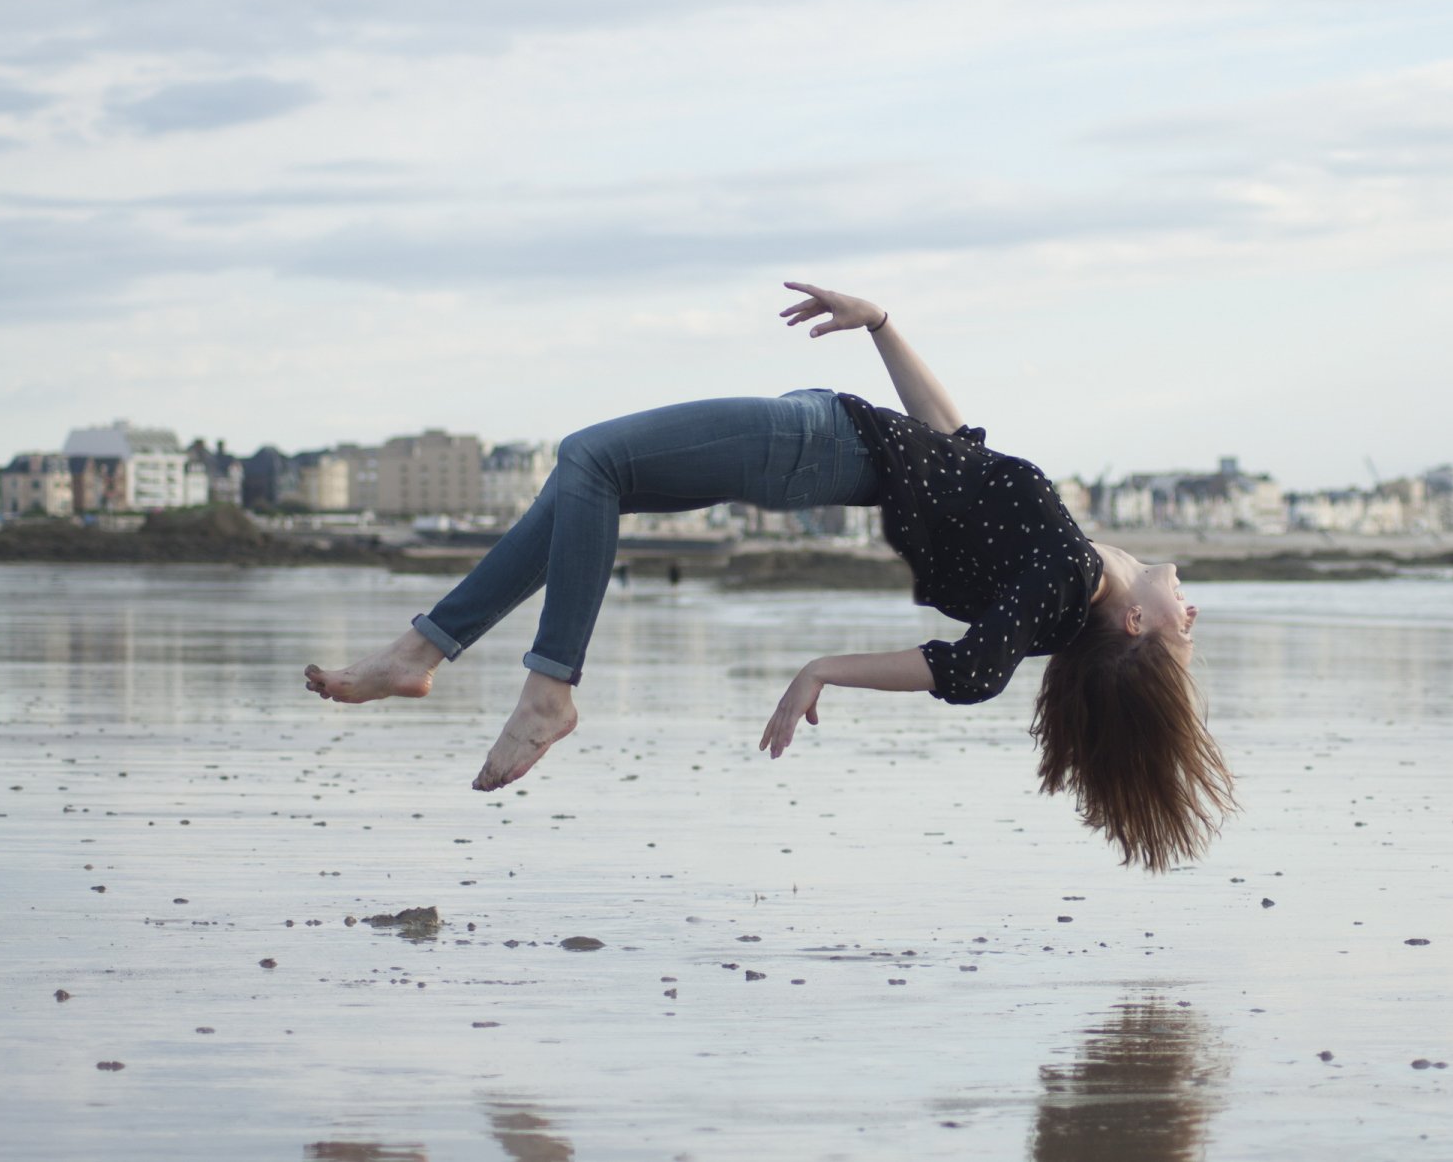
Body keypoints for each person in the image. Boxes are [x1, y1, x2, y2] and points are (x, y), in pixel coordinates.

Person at [305, 282, 1234, 870]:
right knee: (582, 486)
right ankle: (419, 651)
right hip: (825, 440)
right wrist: (885, 324)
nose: (1193, 606)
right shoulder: (1060, 580)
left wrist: (825, 666)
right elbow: (956, 444)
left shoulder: (1063, 585)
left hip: (818, 447)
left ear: (1137, 629)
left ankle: (549, 689)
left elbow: (973, 669)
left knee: (590, 461)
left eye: (1186, 625)